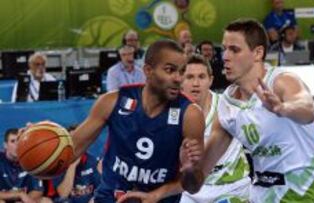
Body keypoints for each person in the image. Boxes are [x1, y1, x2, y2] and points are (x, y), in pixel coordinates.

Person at [33, 39, 205, 203]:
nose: (178, 78)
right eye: (169, 70)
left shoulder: (190, 115)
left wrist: (189, 169)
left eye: (182, 71)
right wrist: (39, 154)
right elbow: (69, 152)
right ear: (147, 71)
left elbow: (193, 186)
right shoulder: (112, 102)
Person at [200, 18, 314, 202]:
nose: (225, 56)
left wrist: (283, 108)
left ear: (258, 53)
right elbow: (200, 172)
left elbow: (306, 108)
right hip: (264, 196)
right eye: (224, 49)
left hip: (308, 193)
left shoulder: (281, 80)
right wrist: (187, 166)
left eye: (235, 49)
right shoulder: (227, 103)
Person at [179, 54, 251, 203]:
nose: (196, 83)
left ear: (210, 80)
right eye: (190, 77)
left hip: (232, 187)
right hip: (191, 190)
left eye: (201, 77)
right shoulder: (172, 112)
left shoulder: (229, 105)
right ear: (180, 80)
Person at [52, 125, 101, 203]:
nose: (74, 145)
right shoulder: (58, 164)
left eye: (77, 140)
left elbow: (100, 191)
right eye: (71, 141)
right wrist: (72, 165)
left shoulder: (94, 162)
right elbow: (63, 194)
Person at [0, 128, 46, 203]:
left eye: (19, 141)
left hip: (22, 200)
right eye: (13, 141)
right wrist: (19, 194)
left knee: (45, 201)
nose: (17, 145)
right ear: (5, 145)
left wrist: (23, 201)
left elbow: (37, 190)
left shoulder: (31, 162)